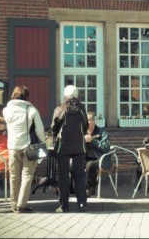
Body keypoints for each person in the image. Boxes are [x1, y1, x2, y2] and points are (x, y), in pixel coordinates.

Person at [3, 85, 45, 213]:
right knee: (27, 175)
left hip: (12, 146)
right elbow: (40, 130)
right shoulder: (31, 110)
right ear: (26, 96)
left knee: (14, 176)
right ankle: (22, 205)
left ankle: (14, 204)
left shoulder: (6, 110)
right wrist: (43, 142)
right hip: (28, 147)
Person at [51, 85, 88, 213]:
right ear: (77, 96)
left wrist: (56, 135)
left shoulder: (60, 108)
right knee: (80, 176)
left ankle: (63, 206)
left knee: (63, 176)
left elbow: (54, 127)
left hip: (63, 146)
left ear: (65, 96)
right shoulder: (82, 108)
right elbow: (85, 125)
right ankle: (82, 205)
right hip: (79, 146)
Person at [84, 111, 112, 198]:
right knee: (73, 164)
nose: (87, 122)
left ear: (94, 121)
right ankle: (73, 188)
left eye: (89, 120)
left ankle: (91, 188)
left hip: (99, 159)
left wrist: (92, 140)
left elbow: (106, 147)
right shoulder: (82, 132)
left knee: (90, 165)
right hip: (84, 157)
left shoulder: (102, 132)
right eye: (86, 120)